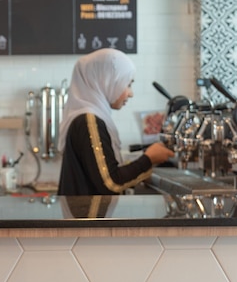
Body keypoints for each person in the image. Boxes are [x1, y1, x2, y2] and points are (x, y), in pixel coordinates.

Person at [57, 48, 174, 196]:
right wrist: (148, 159)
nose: (131, 93)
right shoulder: (89, 121)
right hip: (90, 217)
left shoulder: (88, 118)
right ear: (106, 80)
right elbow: (111, 183)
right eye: (128, 84)